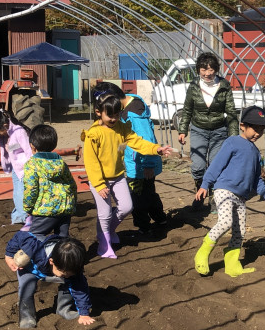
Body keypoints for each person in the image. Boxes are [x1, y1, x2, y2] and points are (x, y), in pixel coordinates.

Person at [82, 93, 172, 259]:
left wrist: (156, 149)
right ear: (98, 112)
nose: (114, 119)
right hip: (99, 180)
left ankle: (107, 231)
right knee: (105, 213)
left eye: (117, 115)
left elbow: (137, 142)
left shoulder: (121, 128)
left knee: (126, 207)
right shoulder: (93, 134)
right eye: (110, 115)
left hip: (117, 177)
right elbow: (91, 162)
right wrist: (99, 184)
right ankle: (104, 244)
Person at [192, 106, 265, 278]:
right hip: (224, 190)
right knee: (226, 222)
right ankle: (203, 252)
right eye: (255, 128)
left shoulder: (255, 153)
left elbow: (256, 179)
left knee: (240, 231)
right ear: (243, 126)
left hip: (241, 197)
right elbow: (217, 165)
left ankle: (232, 264)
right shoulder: (232, 142)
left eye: (261, 130)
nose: (258, 133)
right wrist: (205, 184)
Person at [93, 83, 167, 235]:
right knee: (147, 193)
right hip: (136, 162)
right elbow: (125, 139)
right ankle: (160, 219)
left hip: (141, 165)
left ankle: (144, 227)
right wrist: (118, 153)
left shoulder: (134, 114)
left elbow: (145, 138)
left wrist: (148, 165)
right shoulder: (126, 109)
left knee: (136, 197)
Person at [177, 52, 239, 211]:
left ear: (216, 69)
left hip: (219, 131)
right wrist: (182, 130)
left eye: (210, 69)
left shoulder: (224, 86)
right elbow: (187, 109)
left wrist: (234, 137)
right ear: (198, 69)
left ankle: (213, 198)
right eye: (203, 69)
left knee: (215, 165)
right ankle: (200, 193)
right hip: (199, 130)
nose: (207, 73)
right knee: (198, 166)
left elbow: (231, 112)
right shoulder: (194, 86)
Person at [4, 232, 94, 329]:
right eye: (64, 273)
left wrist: (84, 313)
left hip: (49, 270)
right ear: (51, 261)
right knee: (26, 288)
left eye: (70, 274)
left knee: (72, 283)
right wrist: (9, 256)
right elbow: (20, 236)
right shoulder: (34, 246)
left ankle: (64, 310)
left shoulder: (72, 268)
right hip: (29, 269)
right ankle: (27, 317)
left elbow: (80, 290)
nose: (67, 276)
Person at [22, 124, 77, 239]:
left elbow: (31, 187)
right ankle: (62, 251)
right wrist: (72, 204)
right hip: (65, 208)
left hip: (44, 210)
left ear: (32, 146)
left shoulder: (32, 165)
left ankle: (47, 249)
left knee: (35, 236)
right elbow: (72, 184)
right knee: (62, 237)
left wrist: (28, 207)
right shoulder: (61, 163)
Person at [0, 110, 32, 225]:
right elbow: (13, 148)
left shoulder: (19, 132)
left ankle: (25, 217)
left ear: (5, 125)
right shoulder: (7, 134)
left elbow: (28, 150)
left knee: (21, 193)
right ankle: (19, 216)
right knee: (17, 194)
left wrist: (32, 168)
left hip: (25, 168)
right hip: (16, 168)